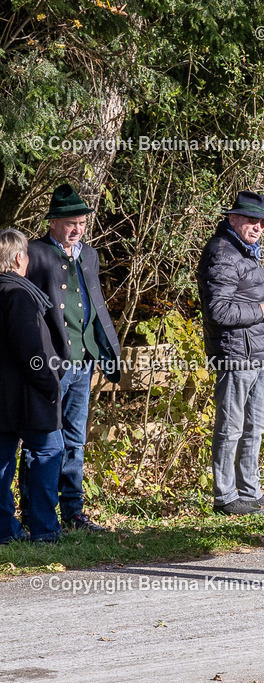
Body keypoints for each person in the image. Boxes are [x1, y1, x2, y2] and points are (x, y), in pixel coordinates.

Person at [26, 183, 121, 533]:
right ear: (52, 222)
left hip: (85, 360)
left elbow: (96, 304)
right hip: (51, 363)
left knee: (75, 440)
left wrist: (108, 350)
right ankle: (37, 515)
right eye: (70, 222)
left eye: (81, 221)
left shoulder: (90, 255)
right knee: (43, 437)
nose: (77, 228)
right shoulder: (34, 253)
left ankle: (73, 512)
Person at [198, 191, 264, 516]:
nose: (258, 226)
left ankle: (249, 492)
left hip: (256, 355)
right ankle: (225, 497)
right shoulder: (222, 253)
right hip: (236, 355)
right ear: (233, 218)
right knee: (231, 427)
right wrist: (263, 309)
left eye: (262, 222)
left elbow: (241, 299)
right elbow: (217, 310)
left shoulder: (245, 252)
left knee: (256, 425)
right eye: (251, 219)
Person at [0, 229, 64, 544]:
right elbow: (30, 353)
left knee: (2, 461)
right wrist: (49, 384)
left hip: (5, 396)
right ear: (19, 258)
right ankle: (44, 529)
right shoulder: (18, 295)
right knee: (49, 451)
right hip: (27, 396)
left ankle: (5, 530)